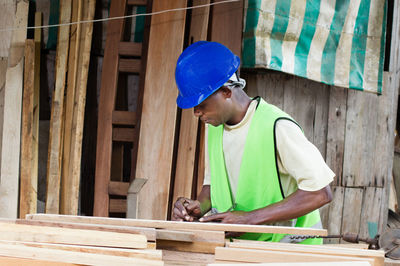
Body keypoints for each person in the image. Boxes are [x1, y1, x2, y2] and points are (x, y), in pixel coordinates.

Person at [172, 41, 334, 244]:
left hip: (291, 249)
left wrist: (249, 218)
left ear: (227, 91)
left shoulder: (277, 127)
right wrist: (198, 205)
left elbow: (320, 193)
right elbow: (213, 184)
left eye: (201, 104)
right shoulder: (214, 127)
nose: (196, 113)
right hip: (248, 247)